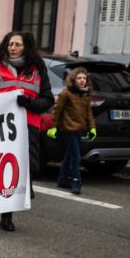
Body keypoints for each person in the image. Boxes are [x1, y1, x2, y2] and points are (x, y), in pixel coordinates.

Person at [0, 31, 53, 232]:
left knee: (14, 173)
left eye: (17, 44)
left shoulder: (38, 70)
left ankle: (7, 216)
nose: (13, 48)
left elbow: (48, 100)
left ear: (27, 47)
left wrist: (30, 103)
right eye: (10, 44)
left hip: (27, 129)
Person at [48, 67, 95, 195]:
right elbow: (57, 110)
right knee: (76, 156)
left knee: (70, 154)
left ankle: (62, 179)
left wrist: (92, 128)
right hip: (68, 128)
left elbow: (88, 112)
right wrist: (54, 126)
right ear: (73, 80)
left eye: (84, 78)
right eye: (79, 78)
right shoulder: (66, 93)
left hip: (79, 129)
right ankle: (76, 180)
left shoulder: (85, 94)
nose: (82, 81)